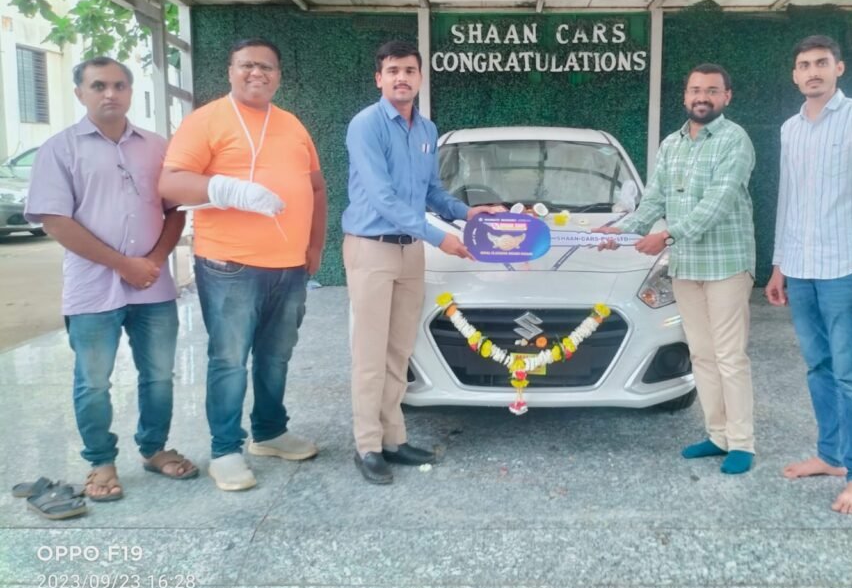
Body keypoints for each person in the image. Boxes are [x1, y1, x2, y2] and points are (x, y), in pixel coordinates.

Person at [25, 57, 195, 502]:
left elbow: (175, 211)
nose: (110, 94)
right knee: (94, 381)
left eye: (120, 85)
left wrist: (153, 260)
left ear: (131, 92)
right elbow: (55, 220)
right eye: (99, 85)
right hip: (92, 288)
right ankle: (101, 461)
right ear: (79, 93)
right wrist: (123, 264)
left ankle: (154, 449)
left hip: (152, 285)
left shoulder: (156, 147)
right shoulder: (59, 149)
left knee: (159, 375)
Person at [159, 38, 326, 492]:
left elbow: (315, 188)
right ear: (230, 71)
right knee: (230, 359)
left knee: (276, 355)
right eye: (247, 65)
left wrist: (315, 245)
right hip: (229, 265)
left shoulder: (292, 125)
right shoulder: (206, 120)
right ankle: (225, 450)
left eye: (267, 67)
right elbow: (170, 183)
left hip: (289, 266)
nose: (257, 73)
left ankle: (269, 432)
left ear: (279, 77)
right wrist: (228, 190)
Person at [342, 40, 504, 485]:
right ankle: (367, 445)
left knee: (398, 350)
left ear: (419, 78)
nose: (402, 78)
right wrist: (442, 238)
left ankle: (394, 439)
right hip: (372, 247)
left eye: (409, 70)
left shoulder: (427, 129)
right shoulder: (366, 125)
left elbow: (431, 192)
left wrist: (468, 214)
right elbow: (383, 197)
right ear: (379, 78)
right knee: (370, 354)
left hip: (411, 250)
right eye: (393, 70)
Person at [595, 63, 757, 474]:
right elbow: (653, 201)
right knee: (701, 354)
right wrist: (618, 230)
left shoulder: (735, 140)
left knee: (729, 355)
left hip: (725, 263)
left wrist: (666, 237)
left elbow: (717, 204)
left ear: (726, 97)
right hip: (686, 266)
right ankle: (717, 435)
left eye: (712, 90)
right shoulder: (672, 144)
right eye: (695, 90)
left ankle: (742, 443)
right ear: (685, 96)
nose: (702, 97)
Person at [765, 35, 852, 514]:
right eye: (804, 65)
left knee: (850, 372)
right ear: (795, 75)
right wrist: (779, 265)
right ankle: (830, 455)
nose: (813, 72)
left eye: (821, 63)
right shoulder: (791, 128)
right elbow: (789, 200)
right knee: (819, 368)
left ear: (838, 68)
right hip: (801, 269)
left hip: (847, 268)